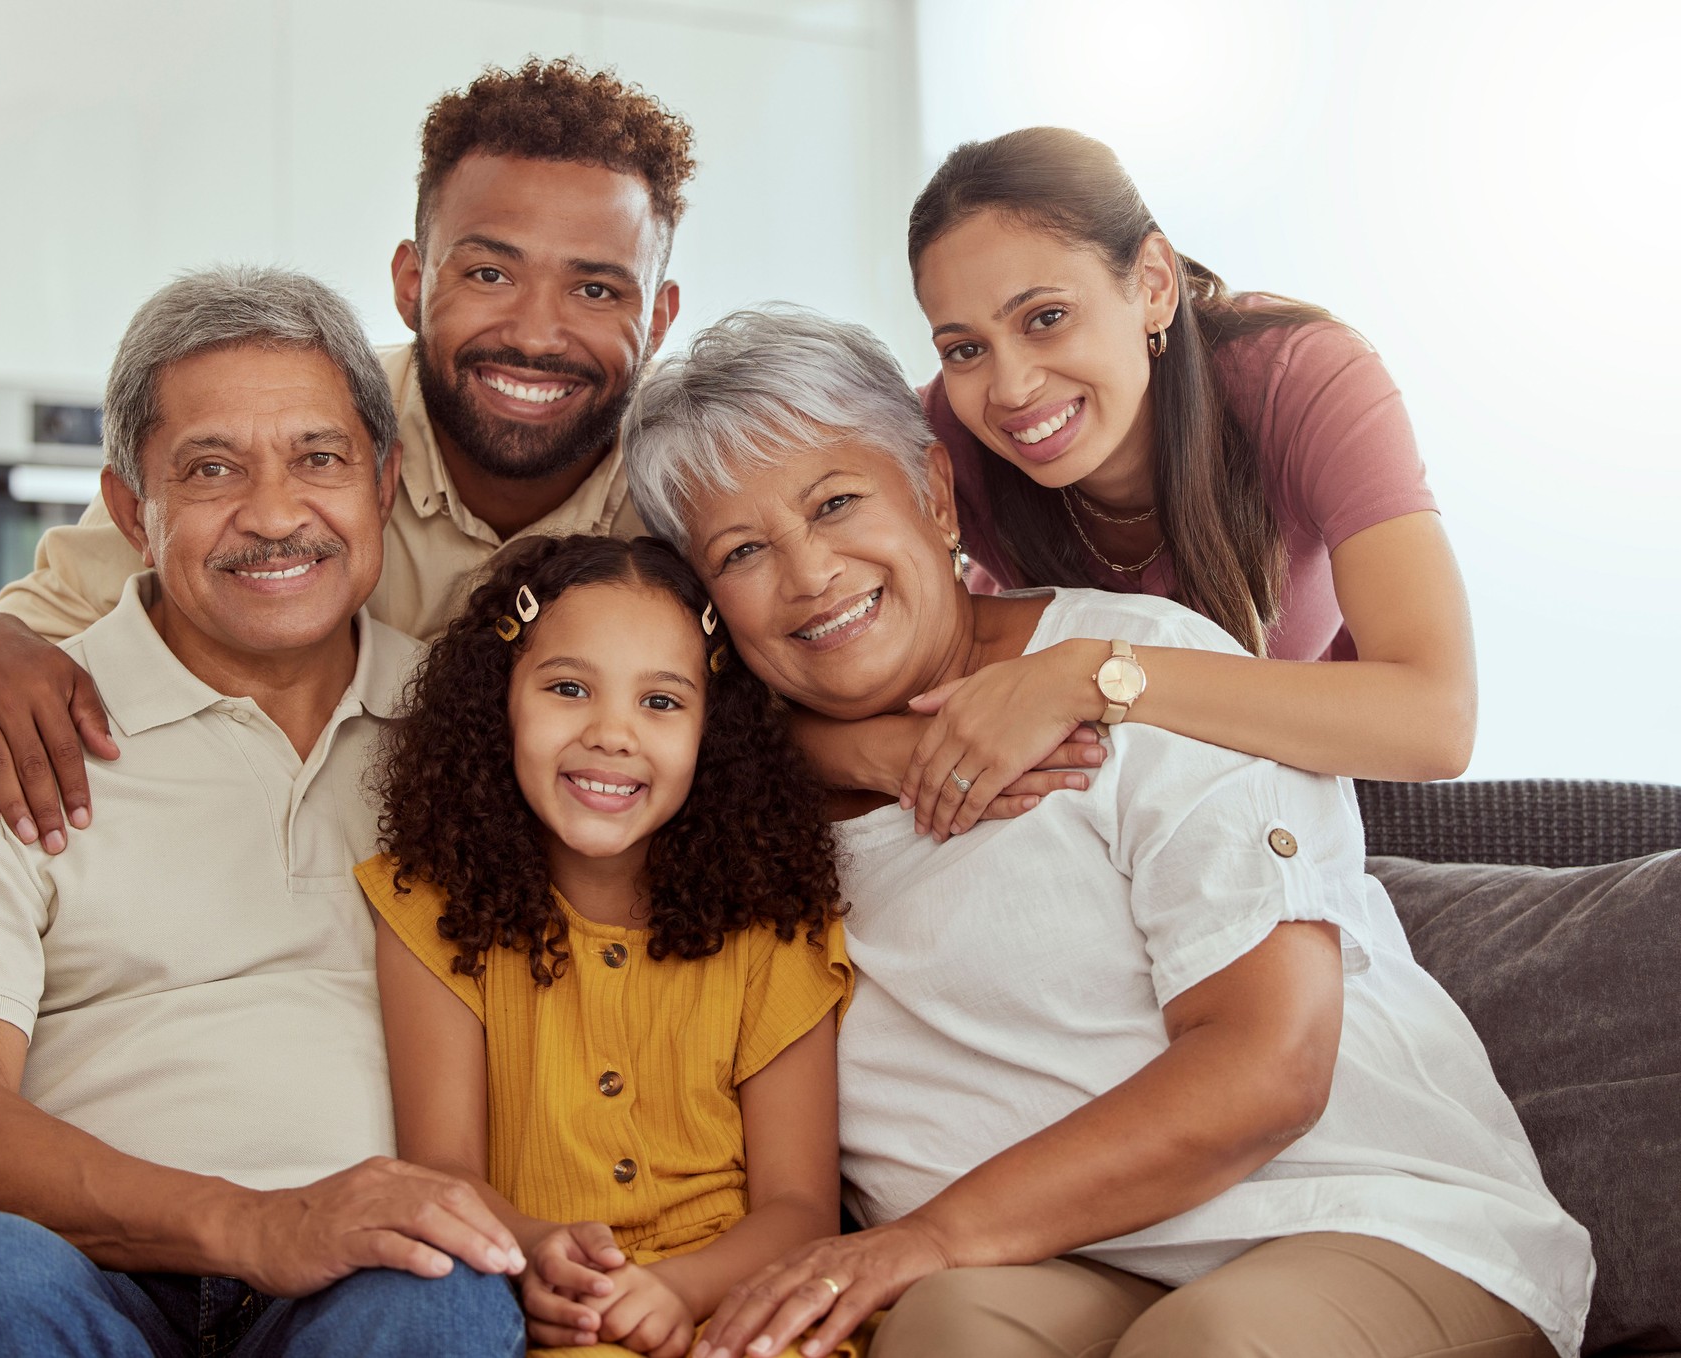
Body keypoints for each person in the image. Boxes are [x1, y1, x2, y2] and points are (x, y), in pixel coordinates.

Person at [618, 308, 1592, 1358]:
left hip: (1369, 1217)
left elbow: (1270, 1066)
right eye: (744, 549)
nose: (808, 573)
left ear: (935, 493)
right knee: (946, 1331)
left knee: (1210, 1341)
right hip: (1071, 1260)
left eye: (838, 502)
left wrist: (923, 1236)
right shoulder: (720, 798)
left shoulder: (1138, 671)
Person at [0, 266, 526, 1358]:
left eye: (319, 458)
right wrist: (257, 1223)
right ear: (131, 507)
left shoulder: (488, 732)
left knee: (449, 1292)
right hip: (74, 1272)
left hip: (374, 1288)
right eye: (211, 468)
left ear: (386, 478)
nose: (273, 515)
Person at [0, 56, 695, 856]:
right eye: (486, 273)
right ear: (411, 282)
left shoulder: (696, 492)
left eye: (595, 290)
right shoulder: (297, 430)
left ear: (658, 318)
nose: (535, 334)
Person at [804, 126, 1477, 842]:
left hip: (1311, 796)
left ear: (1153, 284)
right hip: (1079, 816)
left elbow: (1438, 719)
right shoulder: (943, 437)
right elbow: (746, 682)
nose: (1011, 387)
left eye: (1047, 318)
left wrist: (1090, 678)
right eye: (964, 348)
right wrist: (886, 753)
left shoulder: (1302, 381)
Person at [357, 534, 855, 1357]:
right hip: (552, 1312)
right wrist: (539, 1257)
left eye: (661, 702)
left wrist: (678, 1290)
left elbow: (801, 1208)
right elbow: (444, 1169)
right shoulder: (429, 907)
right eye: (567, 688)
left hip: (744, 1315)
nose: (613, 734)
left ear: (712, 731)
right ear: (500, 703)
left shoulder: (776, 920)